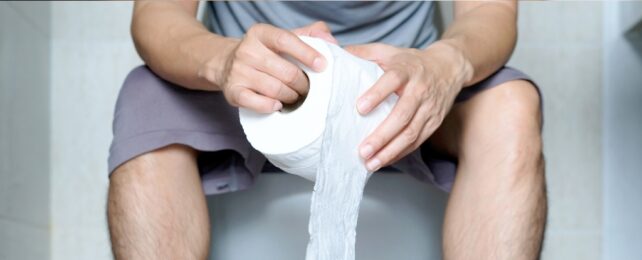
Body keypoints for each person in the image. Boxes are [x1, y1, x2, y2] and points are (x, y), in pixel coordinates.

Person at [107, 1, 546, 259]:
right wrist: (223, 61)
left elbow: (489, 10)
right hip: (247, 91)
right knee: (145, 94)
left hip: (399, 90)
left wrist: (447, 63)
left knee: (511, 104)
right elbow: (158, 12)